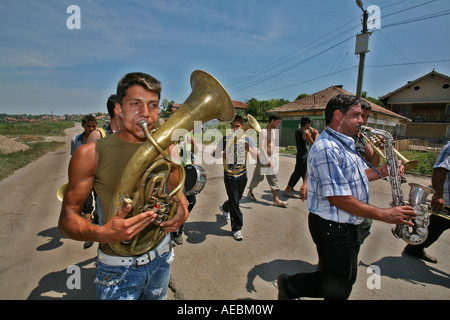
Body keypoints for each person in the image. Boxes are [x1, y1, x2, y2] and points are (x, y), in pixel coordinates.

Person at [58, 72, 189, 300]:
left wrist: (183, 209)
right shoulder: (90, 154)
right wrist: (103, 233)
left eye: (153, 105)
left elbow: (179, 192)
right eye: (135, 104)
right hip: (117, 269)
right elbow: (67, 219)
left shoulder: (167, 149)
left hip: (161, 259)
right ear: (119, 109)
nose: (145, 114)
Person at [277, 94, 417, 300]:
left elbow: (357, 176)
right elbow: (338, 198)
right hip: (331, 228)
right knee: (337, 285)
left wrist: (384, 171)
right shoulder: (327, 147)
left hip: (347, 225)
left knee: (345, 280)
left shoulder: (346, 143)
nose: (362, 120)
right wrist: (386, 214)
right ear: (338, 115)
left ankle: (291, 286)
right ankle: (290, 285)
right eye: (357, 115)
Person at [403, 141, 450, 263]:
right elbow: (440, 168)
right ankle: (414, 247)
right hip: (447, 199)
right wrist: (438, 195)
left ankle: (415, 247)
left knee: (437, 225)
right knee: (438, 224)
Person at [214, 115, 257, 241]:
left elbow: (257, 157)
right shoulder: (225, 139)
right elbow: (214, 154)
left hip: (242, 175)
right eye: (232, 126)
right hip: (229, 175)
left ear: (243, 126)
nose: (234, 129)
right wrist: (223, 154)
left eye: (237, 126)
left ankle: (224, 207)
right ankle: (237, 228)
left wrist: (250, 149)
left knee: (235, 200)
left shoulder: (249, 140)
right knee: (235, 203)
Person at [353, 100, 380, 244]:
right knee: (364, 224)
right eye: (360, 115)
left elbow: (373, 165)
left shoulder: (362, 137)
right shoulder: (343, 136)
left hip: (361, 191)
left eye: (367, 117)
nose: (363, 120)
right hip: (347, 192)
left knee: (363, 226)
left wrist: (377, 151)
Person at [247, 113, 288, 207]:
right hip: (263, 158)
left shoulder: (274, 131)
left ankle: (276, 200)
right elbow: (262, 147)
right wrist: (268, 160)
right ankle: (250, 192)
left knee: (273, 177)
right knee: (257, 177)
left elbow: (272, 145)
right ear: (272, 121)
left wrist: (273, 158)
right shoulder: (263, 132)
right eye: (277, 122)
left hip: (271, 156)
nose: (278, 124)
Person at [70, 114, 98, 249]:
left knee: (100, 202)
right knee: (86, 205)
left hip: (98, 176)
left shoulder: (100, 138)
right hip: (83, 177)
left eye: (94, 126)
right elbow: (74, 160)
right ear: (83, 126)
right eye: (89, 126)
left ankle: (98, 223)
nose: (92, 129)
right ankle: (88, 235)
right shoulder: (76, 140)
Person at [172, 131, 198, 245]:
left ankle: (178, 222)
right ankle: (176, 231)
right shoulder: (171, 133)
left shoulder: (189, 133)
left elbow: (195, 151)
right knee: (180, 203)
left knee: (191, 201)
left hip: (188, 171)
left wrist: (192, 143)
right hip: (175, 171)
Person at [283, 116, 318, 200]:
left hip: (301, 154)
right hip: (304, 156)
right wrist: (315, 134)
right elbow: (313, 144)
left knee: (304, 173)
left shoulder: (298, 131)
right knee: (298, 173)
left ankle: (304, 190)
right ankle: (287, 190)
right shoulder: (305, 133)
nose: (310, 126)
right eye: (310, 124)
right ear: (307, 123)